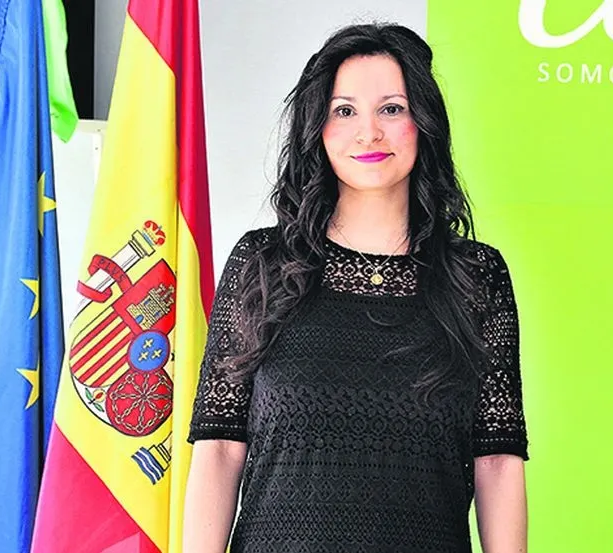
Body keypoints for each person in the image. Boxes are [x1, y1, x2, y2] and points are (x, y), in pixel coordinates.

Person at [182, 22, 529, 553]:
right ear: (317, 128)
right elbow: (221, 447)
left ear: (424, 122)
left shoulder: (476, 277)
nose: (368, 132)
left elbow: (498, 460)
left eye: (391, 108)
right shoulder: (262, 263)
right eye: (344, 110)